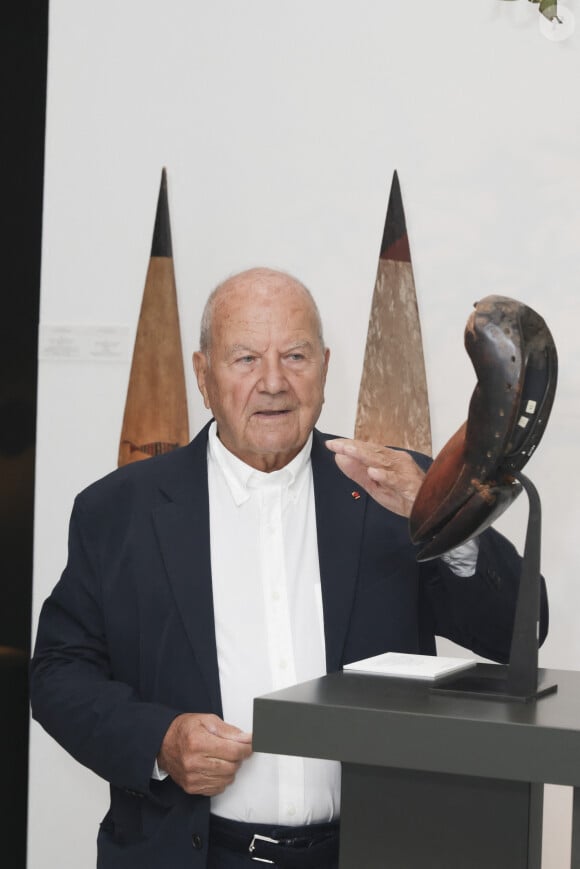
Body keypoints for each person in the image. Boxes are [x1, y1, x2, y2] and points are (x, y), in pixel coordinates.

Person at [31, 267, 548, 869]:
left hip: (375, 849)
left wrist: (444, 521)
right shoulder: (118, 511)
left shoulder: (395, 486)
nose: (273, 382)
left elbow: (519, 631)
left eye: (296, 356)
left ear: (325, 367)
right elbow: (59, 675)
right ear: (203, 375)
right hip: (189, 853)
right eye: (245, 358)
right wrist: (160, 743)